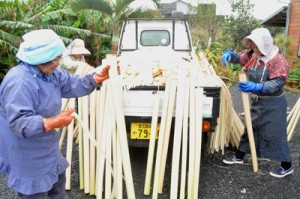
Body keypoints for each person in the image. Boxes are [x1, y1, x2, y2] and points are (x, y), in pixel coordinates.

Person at [0, 29, 113, 199]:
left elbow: (71, 84)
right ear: (41, 59)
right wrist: (52, 122)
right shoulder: (20, 81)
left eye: (59, 57)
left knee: (57, 183)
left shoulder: (51, 73)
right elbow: (20, 123)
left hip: (47, 146)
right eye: (55, 59)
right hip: (26, 151)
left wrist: (94, 80)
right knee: (34, 192)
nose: (58, 63)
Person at [221, 28, 293, 178]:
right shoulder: (253, 56)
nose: (253, 48)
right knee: (250, 128)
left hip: (274, 103)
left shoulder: (277, 60)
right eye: (252, 45)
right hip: (257, 101)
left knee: (276, 134)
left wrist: (257, 87)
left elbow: (278, 82)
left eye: (256, 45)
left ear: (264, 45)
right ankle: (239, 157)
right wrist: (229, 55)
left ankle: (287, 166)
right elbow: (239, 57)